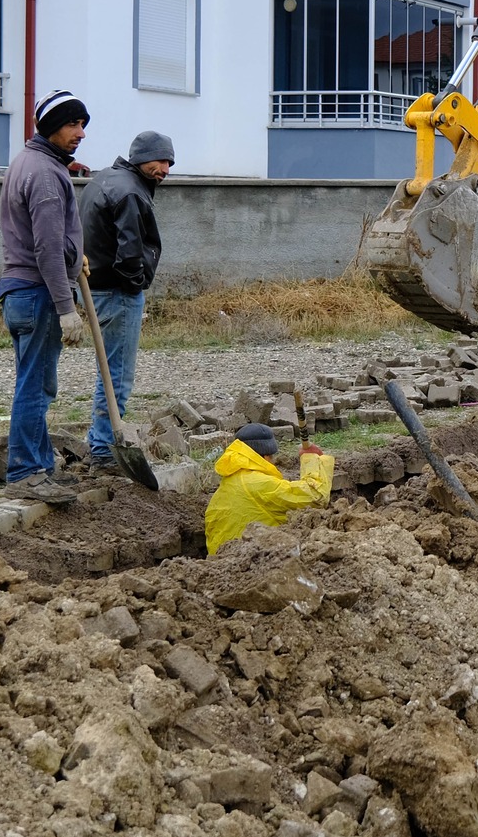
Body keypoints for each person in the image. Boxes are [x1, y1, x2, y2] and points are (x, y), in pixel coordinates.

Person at [0, 89, 90, 498]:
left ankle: (40, 467)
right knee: (35, 386)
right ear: (52, 126)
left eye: (83, 124)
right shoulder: (47, 174)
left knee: (32, 383)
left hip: (20, 292)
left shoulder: (26, 162)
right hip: (38, 294)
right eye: (73, 124)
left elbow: (53, 242)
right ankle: (25, 474)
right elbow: (47, 247)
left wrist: (75, 256)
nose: (81, 133)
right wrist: (66, 307)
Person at [79, 131, 175, 469]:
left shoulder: (105, 179)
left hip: (96, 287)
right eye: (160, 160)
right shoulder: (131, 192)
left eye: (169, 162)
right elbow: (129, 253)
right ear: (140, 158)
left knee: (108, 371)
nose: (165, 168)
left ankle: (99, 443)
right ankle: (104, 451)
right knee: (117, 375)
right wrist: (136, 285)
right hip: (117, 292)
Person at [205, 423, 336, 554]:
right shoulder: (257, 483)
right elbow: (316, 496)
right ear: (266, 456)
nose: (274, 462)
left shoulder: (229, 483)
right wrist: (311, 458)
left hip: (222, 562)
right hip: (253, 563)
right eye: (272, 457)